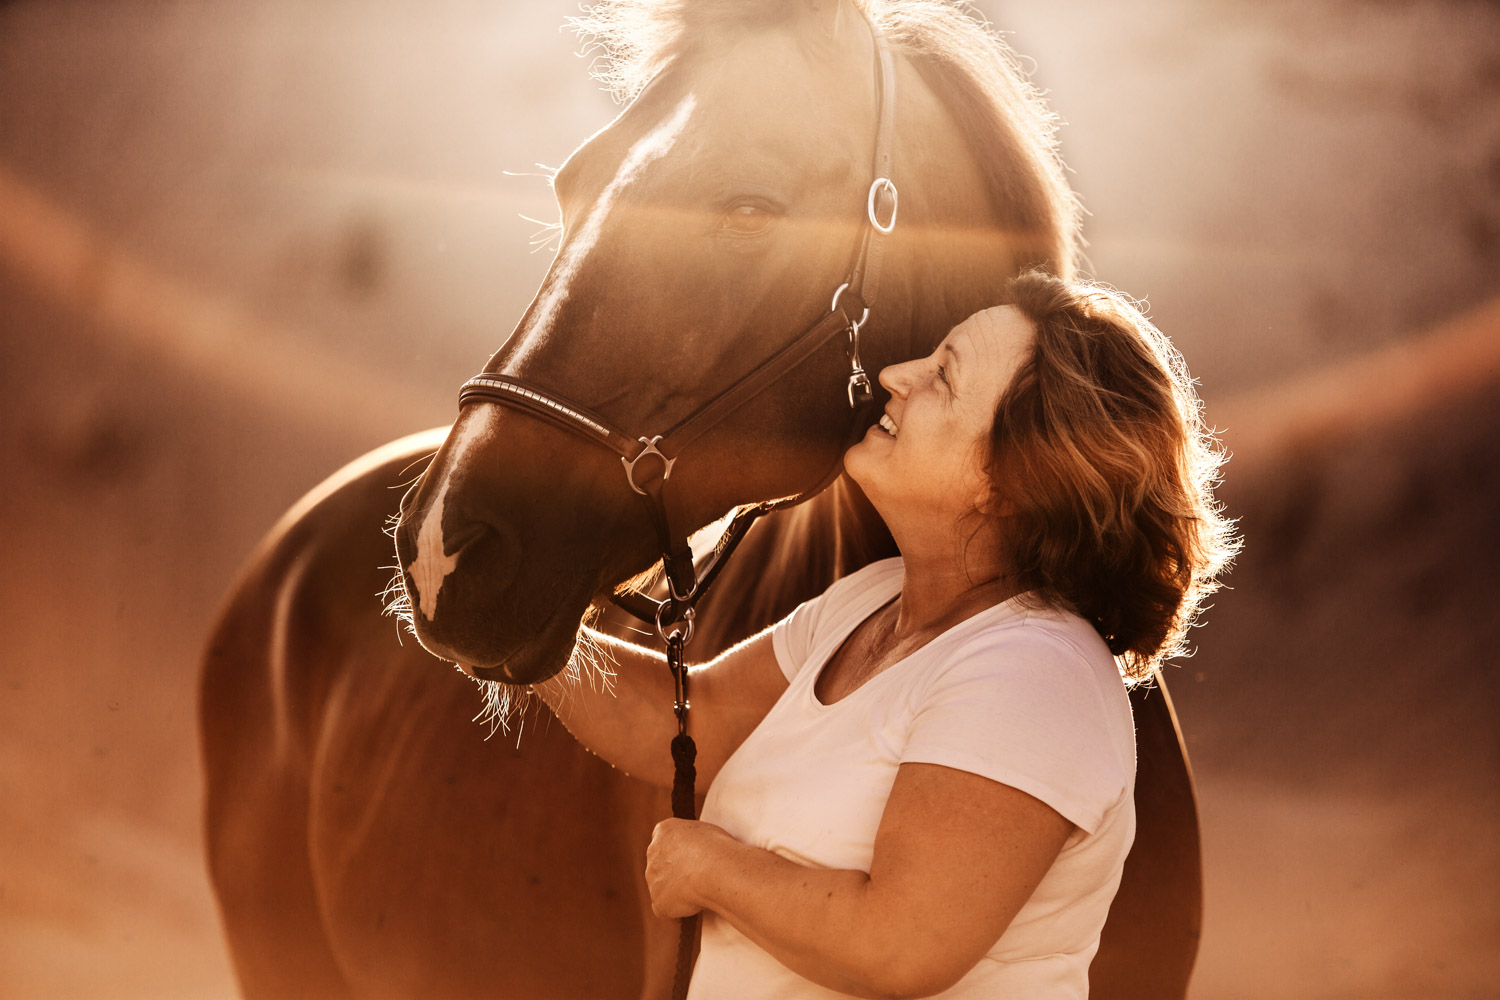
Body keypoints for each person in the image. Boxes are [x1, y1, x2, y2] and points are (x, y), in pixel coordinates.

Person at [533, 270, 1238, 999]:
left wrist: (710, 869)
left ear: (1010, 481)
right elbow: (690, 720)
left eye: (944, 376)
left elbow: (898, 947)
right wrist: (522, 627)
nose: (897, 375)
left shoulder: (1035, 673)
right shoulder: (871, 599)